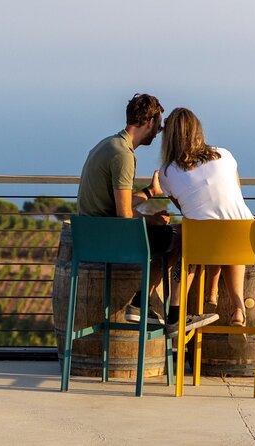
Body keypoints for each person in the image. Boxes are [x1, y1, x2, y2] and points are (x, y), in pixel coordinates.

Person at [77, 94, 218, 337]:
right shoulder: (124, 156)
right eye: (159, 124)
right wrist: (154, 220)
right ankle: (170, 314)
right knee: (185, 234)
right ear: (150, 121)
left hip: (91, 238)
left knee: (168, 234)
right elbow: (124, 217)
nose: (160, 131)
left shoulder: (109, 145)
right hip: (112, 242)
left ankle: (142, 304)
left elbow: (119, 204)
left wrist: (150, 192)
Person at [159, 107, 254, 327]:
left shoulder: (166, 172)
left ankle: (178, 310)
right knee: (227, 231)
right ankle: (238, 308)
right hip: (246, 239)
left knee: (191, 236)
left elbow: (187, 210)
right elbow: (235, 195)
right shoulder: (225, 155)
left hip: (203, 246)